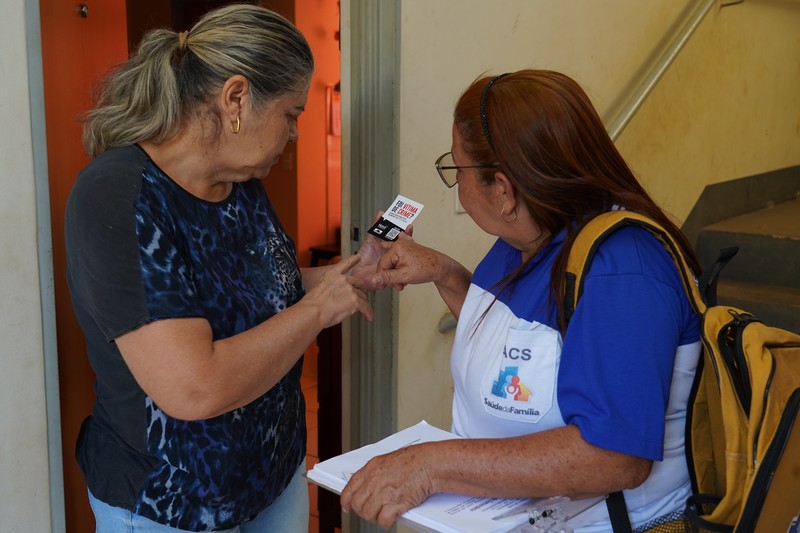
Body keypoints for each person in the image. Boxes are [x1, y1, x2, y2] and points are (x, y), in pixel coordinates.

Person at [341, 69, 703, 532]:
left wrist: (432, 465)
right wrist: (445, 273)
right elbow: (526, 352)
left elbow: (614, 457)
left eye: (456, 170)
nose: (456, 185)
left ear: (504, 190)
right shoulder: (525, 239)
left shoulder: (624, 270)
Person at [65, 5, 380, 532]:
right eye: (291, 114)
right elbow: (194, 387)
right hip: (173, 504)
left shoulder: (240, 186)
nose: (295, 133)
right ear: (236, 99)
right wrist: (318, 311)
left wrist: (348, 276)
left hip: (271, 476)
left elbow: (261, 296)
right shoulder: (120, 196)